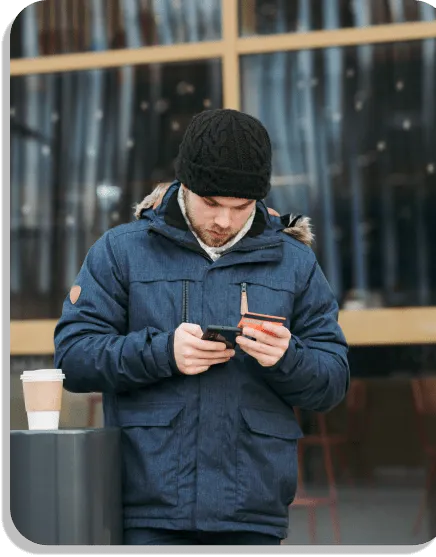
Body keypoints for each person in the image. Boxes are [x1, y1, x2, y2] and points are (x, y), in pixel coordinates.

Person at [54, 109, 350, 546]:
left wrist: (289, 358)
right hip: (147, 509)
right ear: (185, 184)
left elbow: (332, 382)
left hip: (252, 512)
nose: (224, 221)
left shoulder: (295, 263)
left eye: (241, 207)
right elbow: (74, 357)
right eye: (211, 203)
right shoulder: (121, 251)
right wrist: (163, 353)